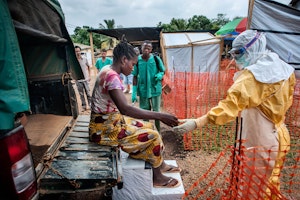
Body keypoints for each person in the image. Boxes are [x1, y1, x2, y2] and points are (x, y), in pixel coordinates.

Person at [173, 30, 296, 198]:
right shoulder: (284, 69)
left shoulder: (252, 77)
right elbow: (286, 102)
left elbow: (229, 106)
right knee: (270, 182)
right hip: (280, 135)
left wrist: (198, 122)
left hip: (259, 141)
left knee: (252, 189)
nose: (235, 59)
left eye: (238, 53)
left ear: (252, 49)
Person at [89, 38, 181, 188]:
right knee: (153, 136)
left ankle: (160, 164)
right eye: (132, 64)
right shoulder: (112, 76)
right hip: (105, 131)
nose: (133, 69)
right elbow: (126, 109)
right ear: (124, 60)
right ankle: (157, 178)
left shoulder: (107, 69)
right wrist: (160, 115)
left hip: (107, 123)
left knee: (149, 127)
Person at [131, 41, 165, 132]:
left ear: (151, 50)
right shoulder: (137, 60)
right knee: (144, 112)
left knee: (156, 111)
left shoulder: (156, 59)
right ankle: (147, 131)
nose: (146, 50)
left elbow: (163, 70)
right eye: (144, 48)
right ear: (141, 48)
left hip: (155, 88)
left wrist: (160, 75)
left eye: (148, 48)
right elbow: (134, 76)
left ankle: (158, 131)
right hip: (143, 90)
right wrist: (134, 91)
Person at [75, 46, 92, 111]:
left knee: (88, 93)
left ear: (80, 51)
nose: (77, 52)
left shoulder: (84, 58)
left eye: (78, 51)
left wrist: (89, 76)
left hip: (86, 78)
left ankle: (90, 105)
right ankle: (84, 106)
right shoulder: (74, 61)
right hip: (78, 80)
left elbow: (89, 67)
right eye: (76, 51)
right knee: (81, 94)